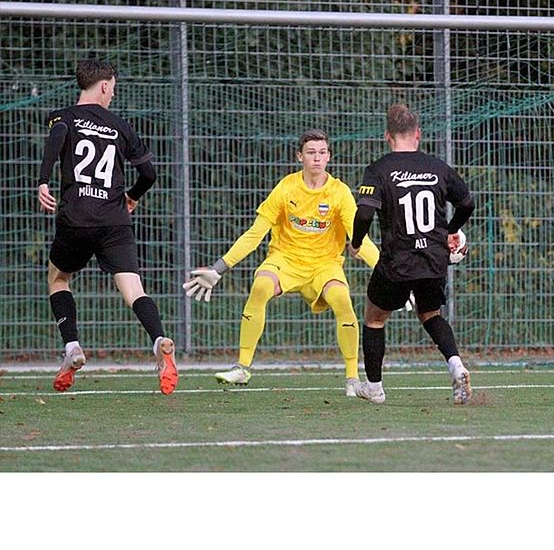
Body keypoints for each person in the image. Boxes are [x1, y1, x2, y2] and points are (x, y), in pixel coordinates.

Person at [183, 130, 379, 395]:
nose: (317, 158)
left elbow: (360, 238)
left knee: (343, 300)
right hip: (284, 260)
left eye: (322, 153)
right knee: (261, 286)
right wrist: (219, 268)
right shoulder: (286, 187)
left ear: (329, 157)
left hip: (324, 265)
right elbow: (255, 234)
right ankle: (242, 368)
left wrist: (387, 272)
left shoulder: (339, 192)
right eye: (311, 152)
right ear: (300, 156)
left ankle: (353, 379)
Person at [37, 59, 178, 394]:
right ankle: (159, 340)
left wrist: (43, 181)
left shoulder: (65, 117)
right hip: (115, 220)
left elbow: (56, 141)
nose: (113, 93)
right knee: (133, 290)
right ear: (103, 85)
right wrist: (131, 196)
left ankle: (72, 346)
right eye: (113, 87)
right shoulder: (119, 126)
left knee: (58, 278)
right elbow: (149, 175)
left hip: (76, 218)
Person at [348, 103, 476, 405]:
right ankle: (456, 365)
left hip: (397, 260)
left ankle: (375, 387)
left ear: (387, 136)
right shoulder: (437, 167)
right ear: (417, 134)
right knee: (430, 313)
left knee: (375, 316)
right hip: (433, 258)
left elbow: (365, 213)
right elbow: (467, 203)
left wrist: (356, 242)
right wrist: (449, 231)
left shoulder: (378, 169)